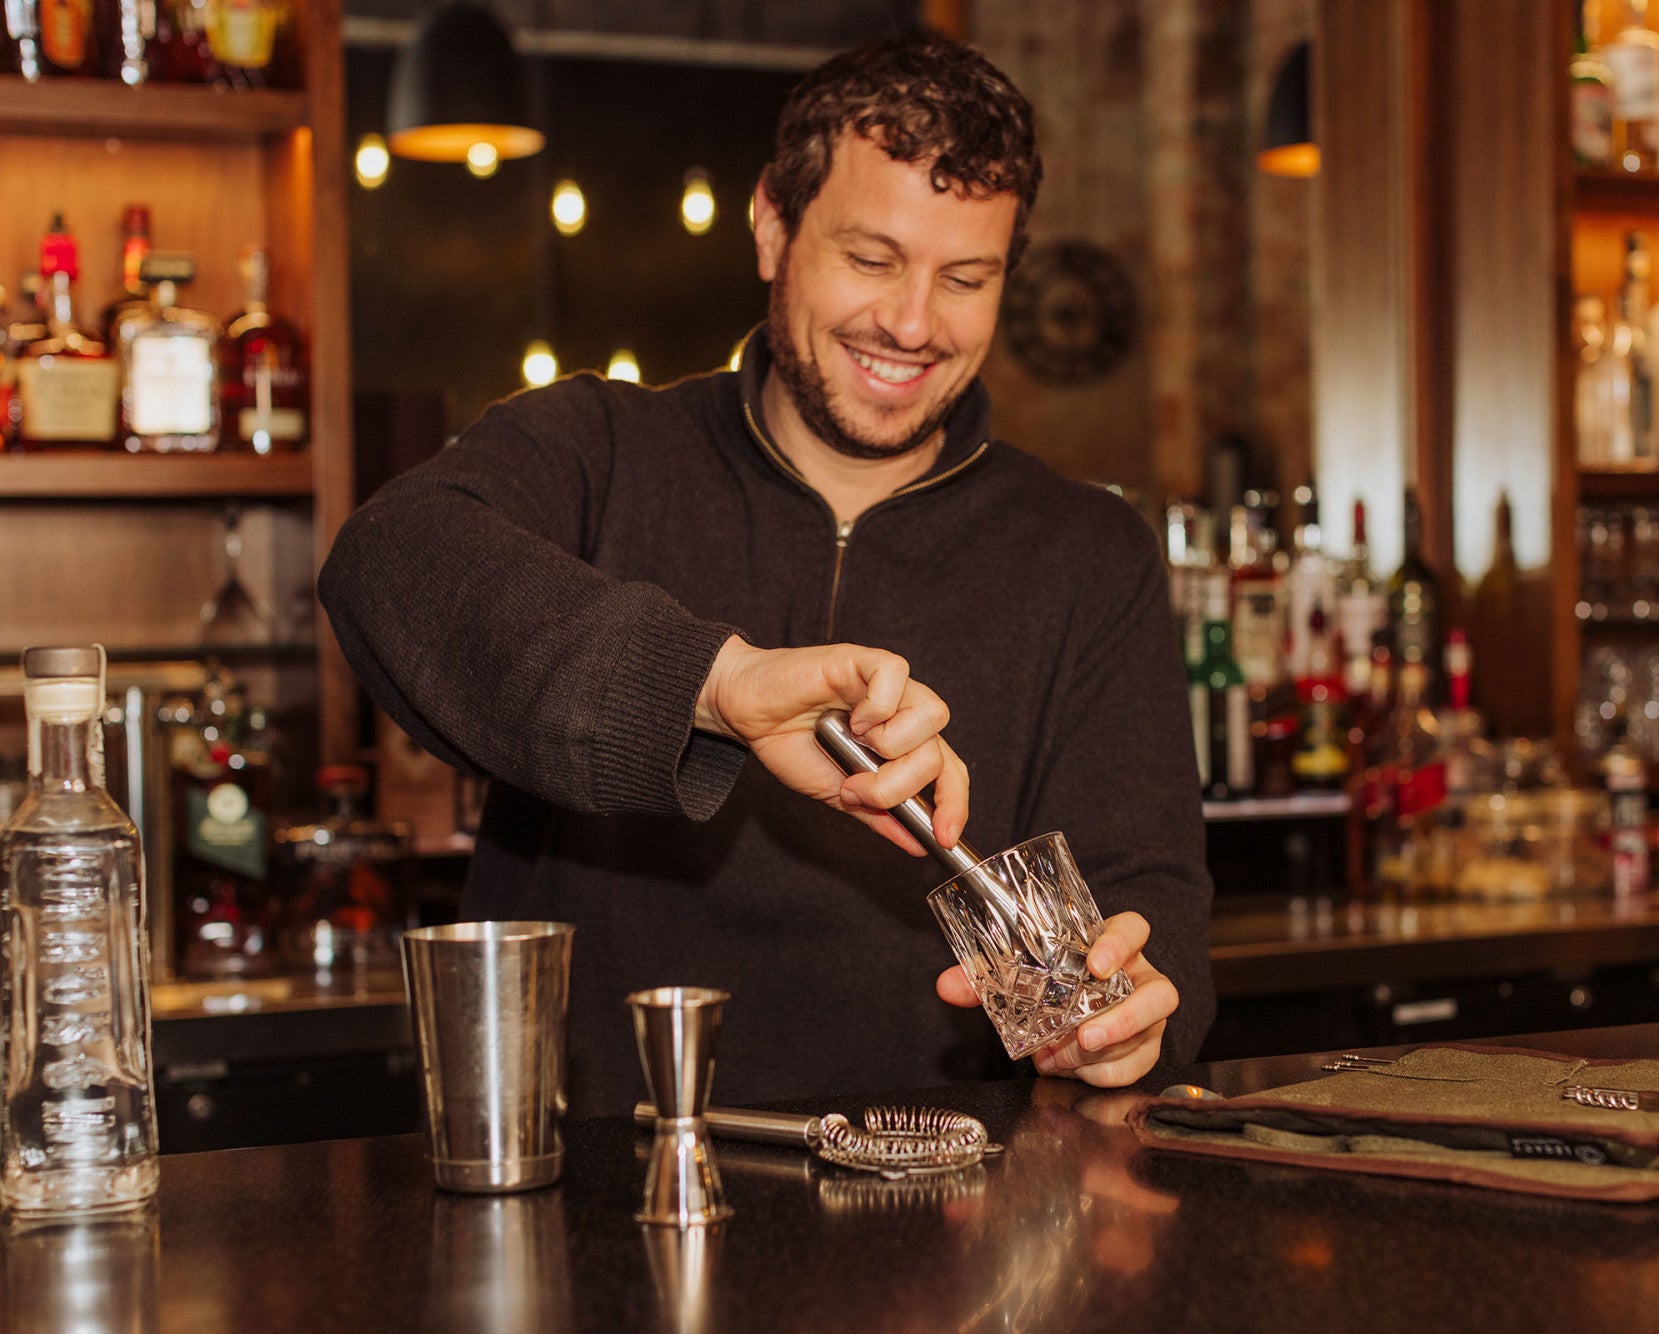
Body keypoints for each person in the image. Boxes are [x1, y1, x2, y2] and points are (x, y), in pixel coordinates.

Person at [319, 33, 1214, 1116]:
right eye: (871, 259)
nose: (912, 323)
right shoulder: (602, 450)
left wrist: (1131, 1017)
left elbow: (1146, 905)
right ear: (771, 228)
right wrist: (713, 684)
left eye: (965, 277)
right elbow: (386, 558)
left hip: (944, 1184)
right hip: (599, 1168)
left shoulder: (1087, 551)